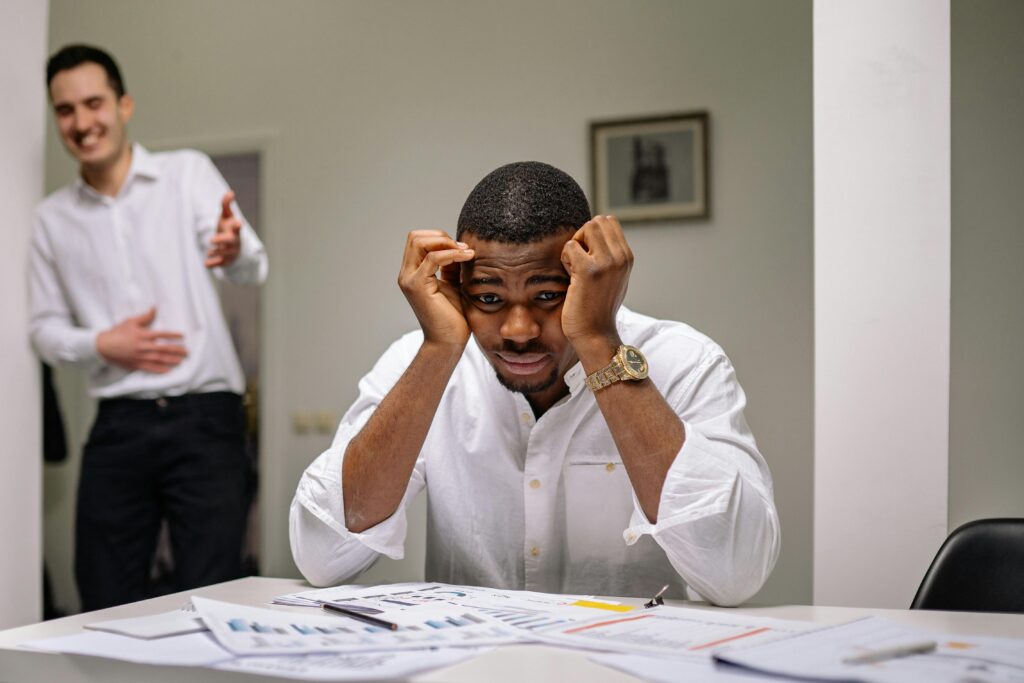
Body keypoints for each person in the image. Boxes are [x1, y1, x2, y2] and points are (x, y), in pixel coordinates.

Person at [290, 162, 777, 606]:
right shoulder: (422, 362)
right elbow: (322, 557)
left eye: (547, 295)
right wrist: (439, 351)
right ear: (457, 285)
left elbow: (735, 573)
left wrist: (598, 341)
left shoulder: (685, 362)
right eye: (488, 297)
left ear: (589, 278)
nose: (518, 331)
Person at [29, 44, 268, 611]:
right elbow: (41, 328)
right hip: (119, 426)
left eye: (94, 103)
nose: (83, 123)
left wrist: (233, 249)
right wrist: (100, 344)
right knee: (103, 592)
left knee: (216, 594)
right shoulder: (50, 219)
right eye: (66, 111)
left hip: (206, 419)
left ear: (124, 103)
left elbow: (253, 267)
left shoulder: (187, 174)